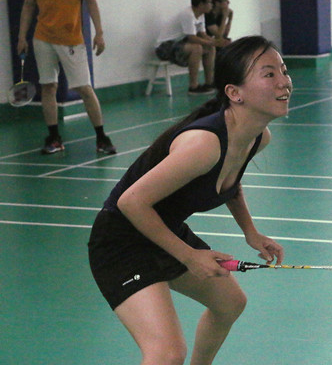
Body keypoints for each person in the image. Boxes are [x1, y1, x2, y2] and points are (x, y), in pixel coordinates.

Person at [88, 36, 292, 365]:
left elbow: (230, 180)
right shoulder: (203, 144)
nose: (283, 81)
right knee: (167, 354)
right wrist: (189, 256)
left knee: (230, 303)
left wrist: (250, 232)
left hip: (163, 229)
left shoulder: (256, 137)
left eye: (283, 70)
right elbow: (131, 202)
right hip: (121, 242)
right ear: (234, 93)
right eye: (269, 74)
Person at [17, 0, 116, 155]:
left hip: (71, 39)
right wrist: (22, 37)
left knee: (85, 89)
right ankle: (54, 138)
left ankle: (102, 138)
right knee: (48, 86)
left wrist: (99, 33)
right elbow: (28, 4)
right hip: (43, 38)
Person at [155, 0, 228, 95]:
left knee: (210, 48)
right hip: (164, 47)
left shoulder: (201, 15)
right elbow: (192, 38)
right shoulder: (188, 14)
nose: (211, 5)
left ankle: (209, 83)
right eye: (209, 2)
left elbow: (203, 34)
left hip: (180, 44)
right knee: (196, 48)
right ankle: (193, 86)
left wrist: (216, 42)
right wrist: (213, 42)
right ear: (201, 4)